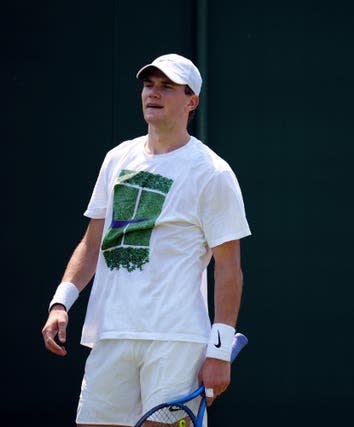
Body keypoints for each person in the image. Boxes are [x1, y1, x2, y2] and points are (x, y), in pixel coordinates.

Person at [41, 53, 251, 426]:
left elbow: (229, 267)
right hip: (111, 335)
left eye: (167, 87)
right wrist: (62, 301)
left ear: (191, 102)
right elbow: (93, 243)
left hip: (176, 341)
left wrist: (218, 350)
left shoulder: (213, 173)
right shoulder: (117, 158)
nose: (153, 93)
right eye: (148, 85)